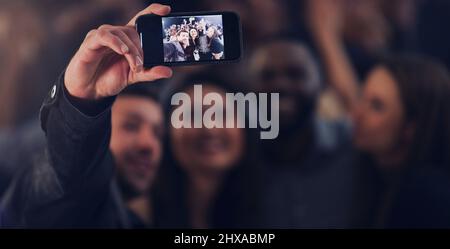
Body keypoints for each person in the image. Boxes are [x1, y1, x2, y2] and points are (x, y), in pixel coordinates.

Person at [0, 3, 173, 228]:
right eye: (131, 126)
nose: (148, 144)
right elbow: (62, 178)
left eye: (158, 134)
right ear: (100, 127)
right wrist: (83, 103)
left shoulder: (134, 223)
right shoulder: (53, 192)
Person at [249, 38, 356, 228]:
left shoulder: (353, 144)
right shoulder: (237, 154)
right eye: (267, 76)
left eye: (296, 74)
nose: (280, 85)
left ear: (321, 83)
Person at [152, 72, 263, 229]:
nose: (210, 129)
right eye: (193, 115)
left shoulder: (279, 207)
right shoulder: (137, 212)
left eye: (222, 115)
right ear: (166, 130)